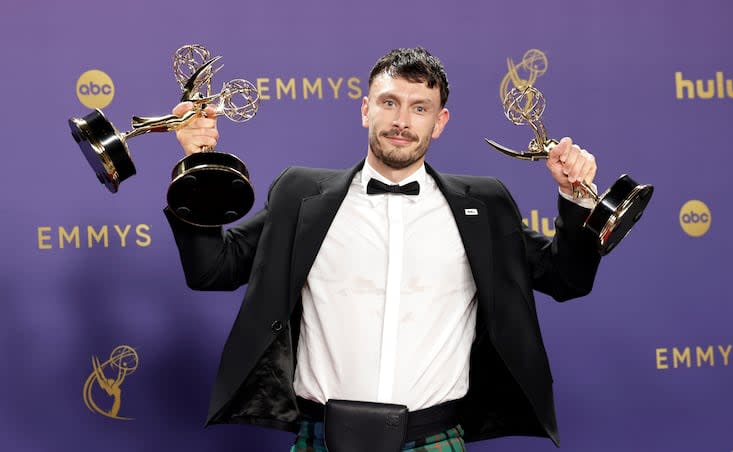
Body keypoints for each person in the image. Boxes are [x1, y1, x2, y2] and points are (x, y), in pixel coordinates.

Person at [166, 47, 601, 451]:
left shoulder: (485, 206)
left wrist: (577, 198)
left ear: (440, 121)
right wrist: (199, 161)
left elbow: (566, 279)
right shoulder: (300, 197)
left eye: (419, 108)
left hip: (435, 437)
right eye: (389, 102)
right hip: (321, 435)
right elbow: (212, 270)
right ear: (365, 109)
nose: (402, 121)